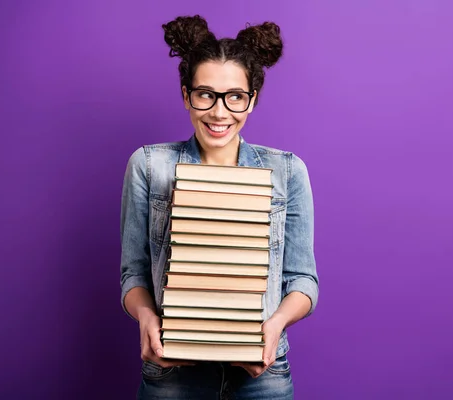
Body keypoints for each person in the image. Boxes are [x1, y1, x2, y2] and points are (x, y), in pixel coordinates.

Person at [119, 14, 319, 399]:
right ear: (185, 95)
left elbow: (303, 281)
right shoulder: (148, 166)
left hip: (261, 374)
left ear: (252, 99)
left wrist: (275, 324)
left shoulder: (288, 172)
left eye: (235, 97)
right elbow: (134, 274)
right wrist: (146, 316)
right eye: (205, 94)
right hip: (172, 372)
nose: (219, 112)